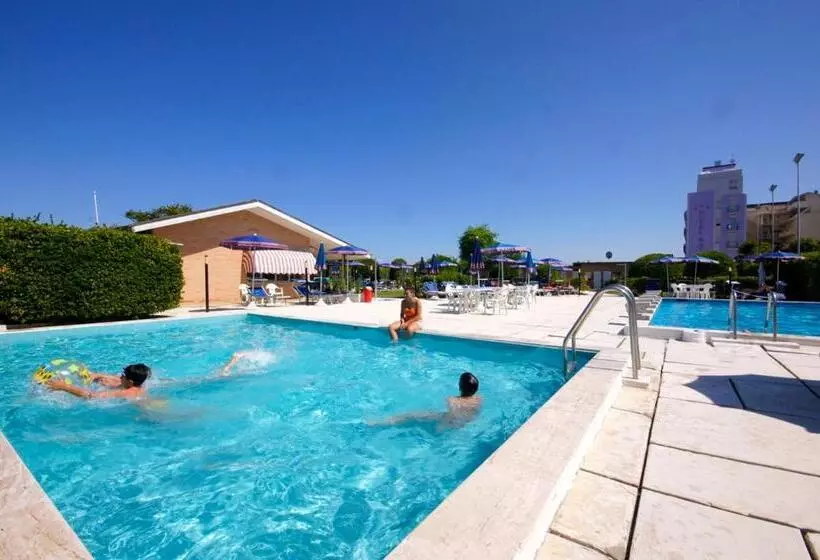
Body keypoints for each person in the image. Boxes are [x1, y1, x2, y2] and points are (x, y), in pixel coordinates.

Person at [369, 372, 482, 429]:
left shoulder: (452, 400)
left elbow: (452, 415)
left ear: (459, 386)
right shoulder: (479, 399)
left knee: (410, 415)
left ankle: (379, 423)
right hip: (463, 424)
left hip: (445, 424)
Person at [46, 363, 151, 400]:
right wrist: (97, 375)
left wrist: (65, 387)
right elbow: (115, 379)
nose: (120, 377)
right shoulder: (137, 385)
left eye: (123, 376)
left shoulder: (126, 392)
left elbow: (91, 396)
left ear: (130, 382)